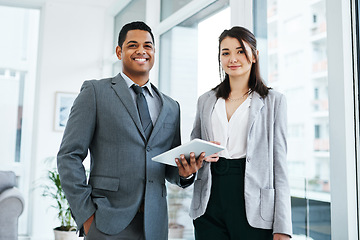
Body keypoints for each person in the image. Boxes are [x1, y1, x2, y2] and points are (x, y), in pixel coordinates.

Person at [57, 21, 204, 240]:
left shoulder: (171, 106)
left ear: (154, 52)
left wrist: (185, 172)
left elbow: (168, 166)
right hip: (106, 221)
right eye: (132, 45)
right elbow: (69, 155)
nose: (141, 51)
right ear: (119, 51)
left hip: (154, 225)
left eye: (148, 45)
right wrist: (87, 217)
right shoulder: (95, 92)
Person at [188, 26, 292, 240]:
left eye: (240, 51)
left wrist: (283, 227)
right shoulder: (206, 101)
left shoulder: (274, 101)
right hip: (209, 199)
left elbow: (279, 167)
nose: (232, 58)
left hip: (253, 204)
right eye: (225, 53)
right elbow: (194, 146)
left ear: (254, 56)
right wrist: (199, 156)